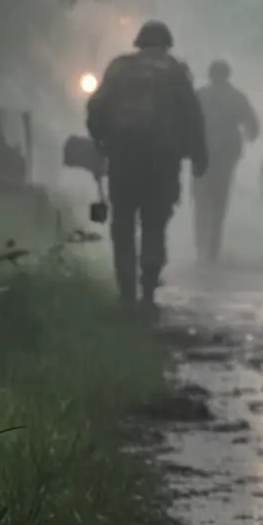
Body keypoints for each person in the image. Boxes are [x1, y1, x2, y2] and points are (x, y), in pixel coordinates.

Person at [86, 20, 207, 311]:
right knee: (154, 223)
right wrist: (199, 156)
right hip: (162, 162)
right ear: (167, 43)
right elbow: (192, 117)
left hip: (123, 159)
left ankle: (126, 289)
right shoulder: (176, 72)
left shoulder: (119, 68)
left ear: (139, 42)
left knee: (123, 222)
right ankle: (149, 288)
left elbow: (96, 109)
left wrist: (102, 142)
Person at [192, 59, 260, 264]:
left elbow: (185, 121)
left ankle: (201, 244)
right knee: (219, 202)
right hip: (225, 157)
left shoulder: (200, 96)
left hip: (201, 154)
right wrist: (247, 135)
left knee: (201, 199)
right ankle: (213, 247)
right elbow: (253, 127)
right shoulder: (236, 97)